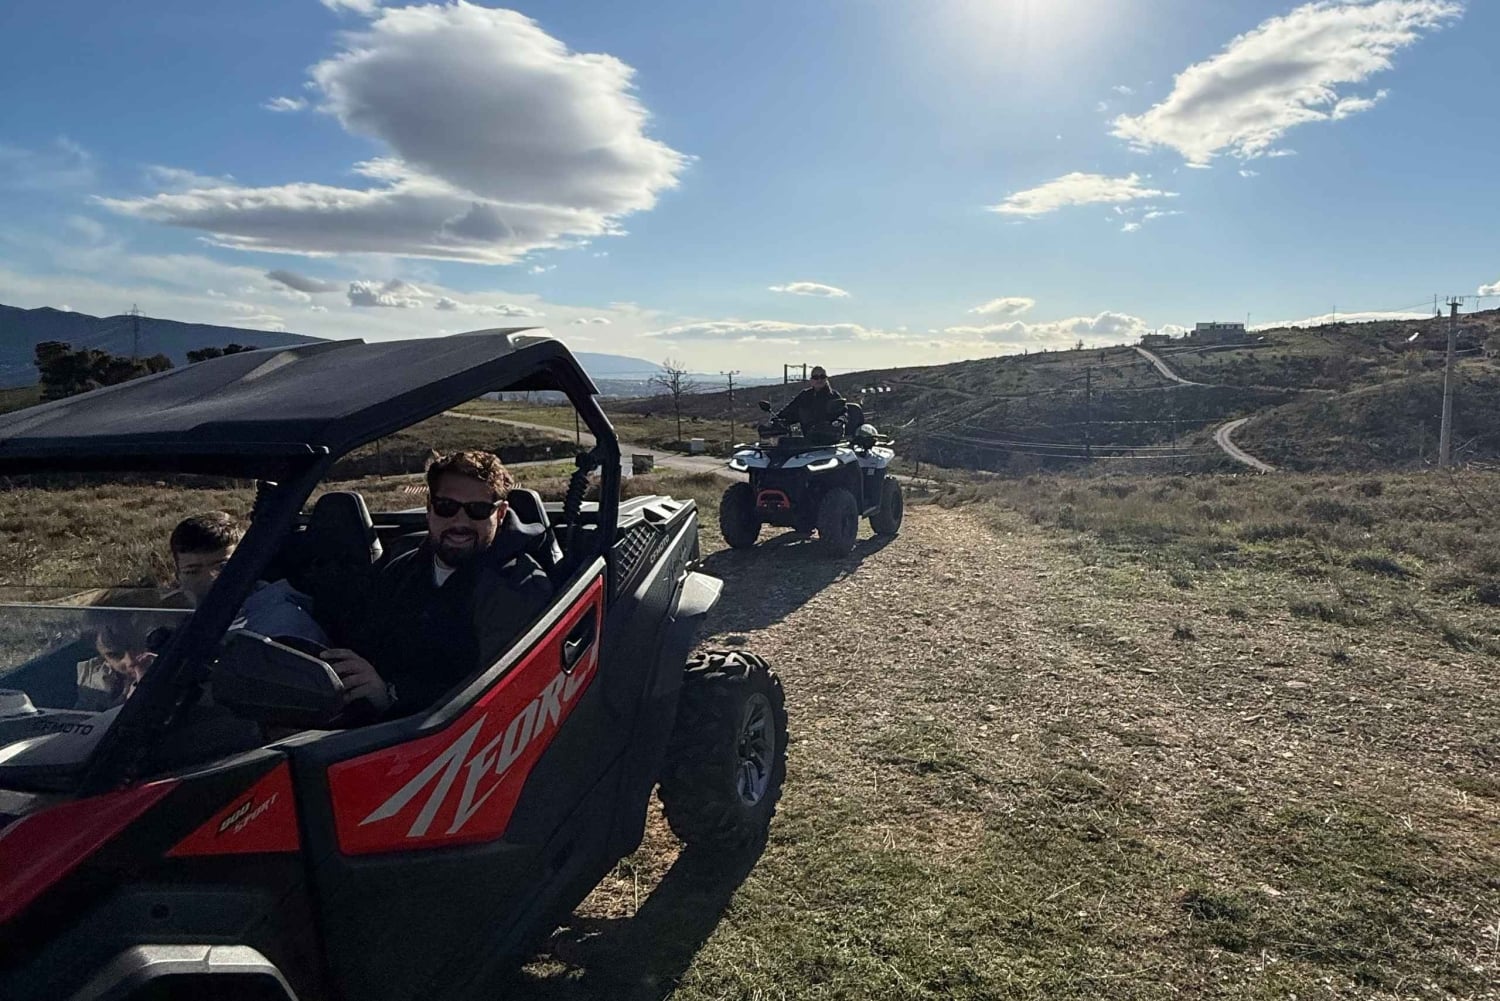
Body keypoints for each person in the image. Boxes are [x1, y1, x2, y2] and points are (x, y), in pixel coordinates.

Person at [326, 450, 554, 720]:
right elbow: (366, 639)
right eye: (447, 506)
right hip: (373, 725)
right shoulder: (401, 569)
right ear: (429, 507)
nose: (460, 522)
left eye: (478, 510)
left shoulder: (519, 587)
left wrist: (392, 694)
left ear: (501, 514)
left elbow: (495, 697)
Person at [75, 611, 159, 711]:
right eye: (114, 655)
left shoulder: (171, 664)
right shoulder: (92, 676)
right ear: (101, 655)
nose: (130, 661)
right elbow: (84, 718)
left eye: (137, 646)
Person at [170, 512, 243, 608]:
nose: (210, 579)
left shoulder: (265, 609)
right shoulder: (163, 616)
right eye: (192, 572)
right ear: (178, 577)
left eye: (222, 567)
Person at [775, 366, 847, 444]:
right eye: (815, 377)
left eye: (822, 377)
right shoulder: (804, 396)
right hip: (808, 442)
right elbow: (790, 410)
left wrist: (839, 421)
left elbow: (844, 413)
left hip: (829, 442)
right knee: (782, 444)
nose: (819, 380)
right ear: (811, 380)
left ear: (826, 379)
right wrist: (776, 420)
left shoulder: (833, 396)